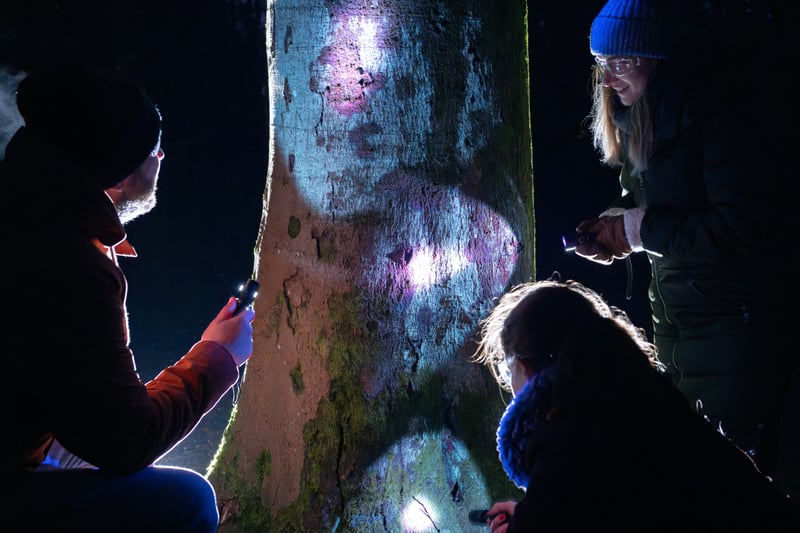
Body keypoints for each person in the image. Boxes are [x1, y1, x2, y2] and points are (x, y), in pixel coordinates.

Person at [0, 62, 256, 532]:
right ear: (116, 175)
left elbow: (88, 403)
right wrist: (219, 356)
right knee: (188, 500)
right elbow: (125, 438)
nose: (163, 156)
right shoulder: (69, 262)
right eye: (152, 149)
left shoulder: (31, 210)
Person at [570, 0, 798, 493]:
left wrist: (636, 231)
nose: (608, 80)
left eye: (619, 63)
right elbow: (664, 204)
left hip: (733, 336)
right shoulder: (642, 117)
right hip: (680, 334)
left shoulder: (720, 117)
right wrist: (616, 223)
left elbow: (739, 229)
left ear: (656, 55)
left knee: (736, 490)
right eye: (601, 65)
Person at [472, 277, 800, 532]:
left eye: (506, 367)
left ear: (527, 366)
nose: (508, 381)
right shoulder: (649, 400)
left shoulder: (567, 440)